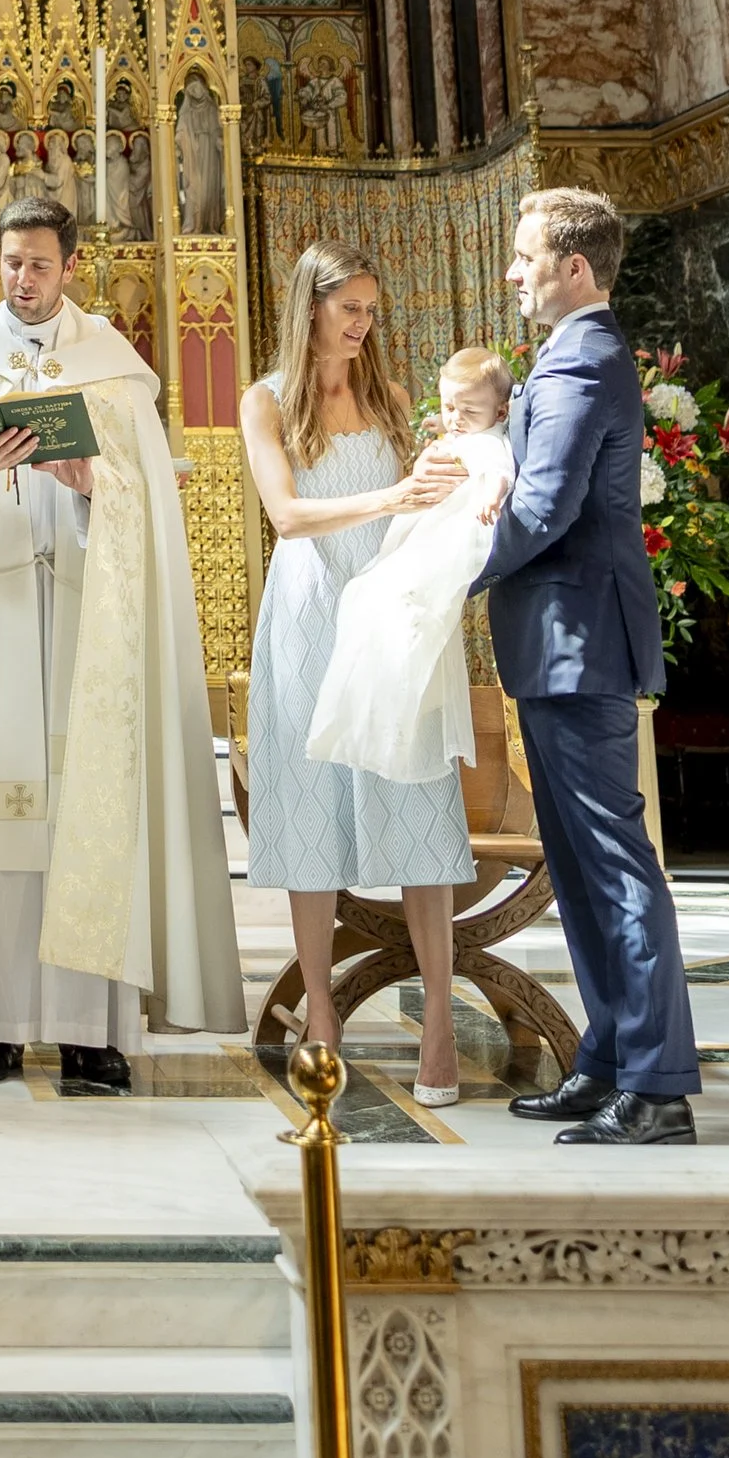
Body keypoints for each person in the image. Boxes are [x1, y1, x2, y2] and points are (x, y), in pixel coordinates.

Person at [0, 194, 244, 1090]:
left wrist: (96, 483)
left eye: (36, 264)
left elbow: (147, 510)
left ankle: (89, 1030)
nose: (20, 280)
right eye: (8, 263)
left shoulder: (112, 369)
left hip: (83, 627)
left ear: (70, 268)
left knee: (84, 815)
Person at [478, 186, 701, 1147]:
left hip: (579, 646)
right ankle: (607, 1060)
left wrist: (439, 576)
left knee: (613, 865)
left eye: (526, 259)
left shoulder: (580, 359)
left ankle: (657, 1084)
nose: (513, 274)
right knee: (575, 865)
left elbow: (543, 511)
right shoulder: (572, 355)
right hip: (559, 643)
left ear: (575, 269)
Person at [238, 244, 478, 1105]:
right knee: (308, 811)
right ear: (310, 304)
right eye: (350, 307)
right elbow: (287, 515)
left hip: (390, 622)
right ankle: (323, 1017)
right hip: (306, 619)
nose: (363, 323)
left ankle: (441, 1022)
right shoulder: (264, 401)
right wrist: (392, 498)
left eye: (372, 310)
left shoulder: (393, 401)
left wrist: (466, 493)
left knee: (417, 803)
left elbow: (432, 506)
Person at [307, 349, 517, 785]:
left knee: (409, 604)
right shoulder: (464, 431)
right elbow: (453, 433)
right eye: (448, 407)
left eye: (469, 410)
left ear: (501, 410)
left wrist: (492, 496)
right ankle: (367, 708)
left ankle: (393, 718)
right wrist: (442, 427)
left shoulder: (492, 441)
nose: (456, 419)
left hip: (457, 532)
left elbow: (498, 471)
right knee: (363, 593)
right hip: (428, 528)